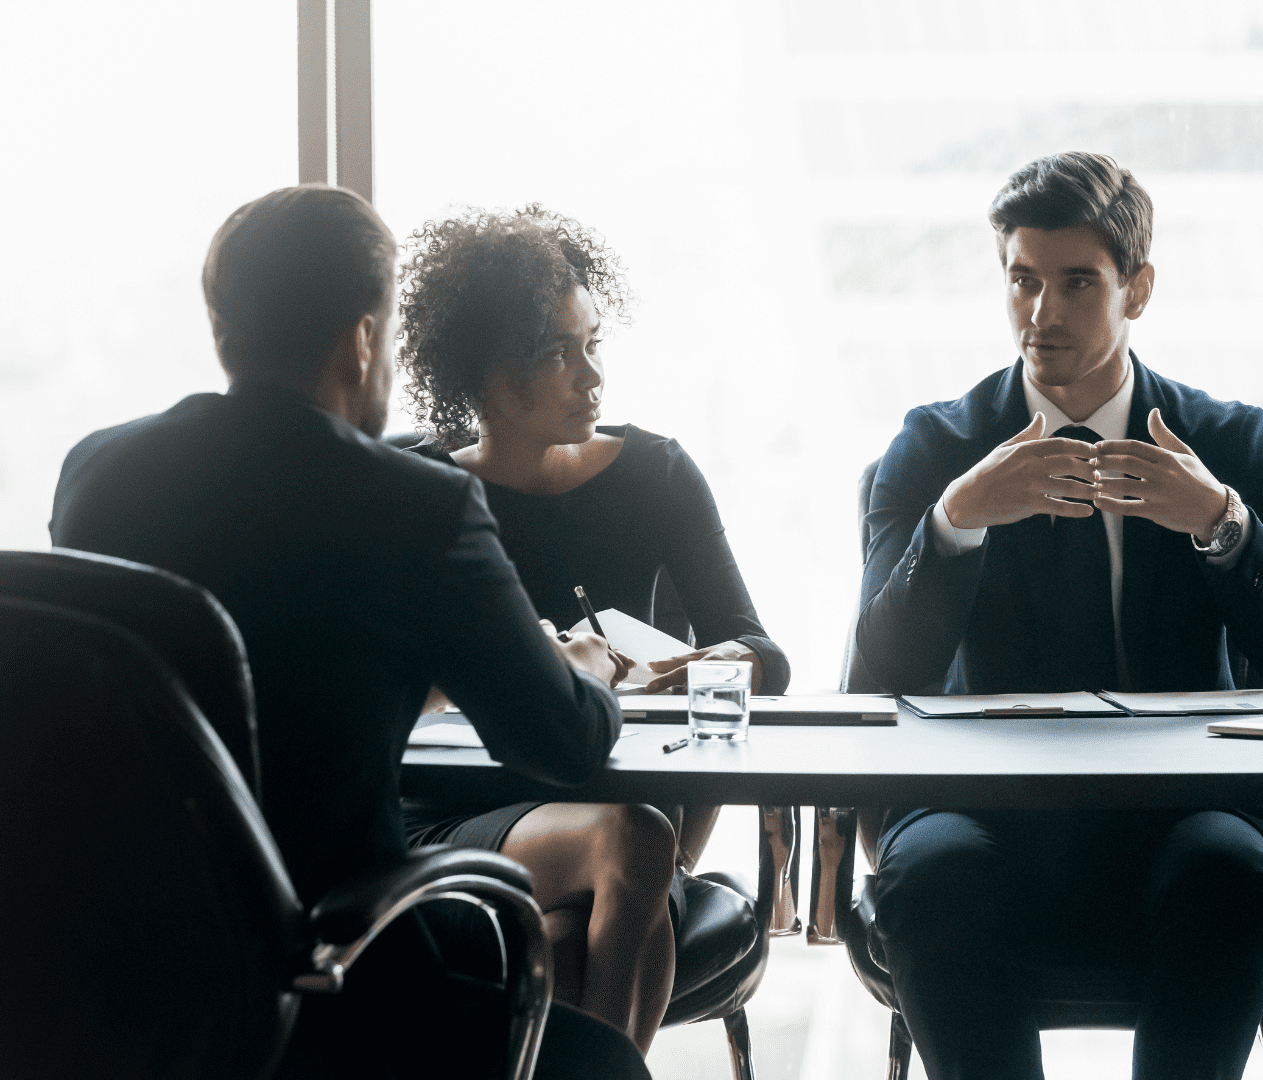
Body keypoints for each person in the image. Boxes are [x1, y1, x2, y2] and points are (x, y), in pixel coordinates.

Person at [50, 184, 654, 1080]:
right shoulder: (419, 509)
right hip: (350, 977)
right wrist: (591, 671)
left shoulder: (98, 473)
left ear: (228, 325)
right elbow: (559, 743)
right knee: (603, 1063)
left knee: (556, 941)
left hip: (141, 984)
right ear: (362, 339)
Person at [855, 151, 1263, 1080]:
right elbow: (879, 664)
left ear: (1139, 289)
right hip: (981, 811)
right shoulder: (935, 444)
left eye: (1078, 282)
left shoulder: (1230, 440)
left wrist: (1220, 523)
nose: (1043, 315)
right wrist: (955, 522)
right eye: (1023, 281)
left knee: (1229, 873)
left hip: (1184, 812)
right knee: (932, 873)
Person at [391, 205, 792, 1042]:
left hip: (616, 802)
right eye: (557, 354)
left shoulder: (657, 474)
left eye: (593, 344)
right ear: (488, 376)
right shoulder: (416, 489)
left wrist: (711, 663)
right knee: (622, 873)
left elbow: (764, 654)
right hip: (455, 811)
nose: (592, 376)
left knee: (581, 928)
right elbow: (380, 681)